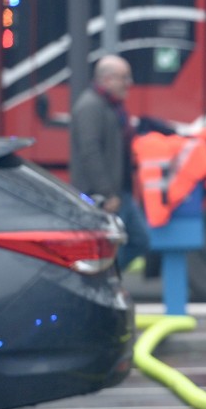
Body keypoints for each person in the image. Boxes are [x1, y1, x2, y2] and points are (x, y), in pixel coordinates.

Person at [70, 54, 150, 271]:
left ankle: (110, 279)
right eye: (124, 77)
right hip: (105, 196)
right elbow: (90, 151)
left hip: (121, 192)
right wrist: (106, 192)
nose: (129, 84)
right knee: (114, 245)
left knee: (140, 239)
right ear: (107, 79)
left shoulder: (111, 107)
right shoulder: (90, 107)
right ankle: (106, 281)